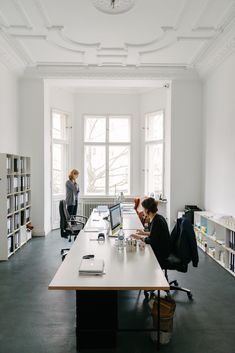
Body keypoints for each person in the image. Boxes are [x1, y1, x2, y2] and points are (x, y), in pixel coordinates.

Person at [131, 197, 171, 268]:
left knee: (140, 255)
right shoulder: (158, 217)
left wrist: (139, 238)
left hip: (161, 253)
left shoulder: (157, 221)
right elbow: (156, 234)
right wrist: (144, 233)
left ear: (147, 210)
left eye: (143, 209)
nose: (142, 211)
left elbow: (152, 241)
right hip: (164, 248)